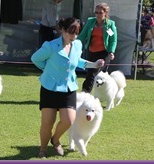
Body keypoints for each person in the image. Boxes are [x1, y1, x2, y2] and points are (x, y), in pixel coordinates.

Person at [31, 17, 105, 158]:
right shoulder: (50, 46)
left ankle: (56, 139)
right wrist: (47, 69)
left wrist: (94, 64)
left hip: (69, 89)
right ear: (63, 30)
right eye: (70, 32)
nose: (74, 36)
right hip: (49, 88)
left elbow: (78, 61)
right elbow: (35, 58)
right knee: (47, 122)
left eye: (76, 33)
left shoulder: (77, 45)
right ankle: (43, 149)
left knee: (69, 120)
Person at [78, 2, 117, 93]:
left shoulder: (109, 25)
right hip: (91, 51)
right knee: (95, 74)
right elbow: (82, 35)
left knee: (92, 73)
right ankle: (104, 93)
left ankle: (85, 93)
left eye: (100, 12)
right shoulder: (91, 21)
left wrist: (111, 51)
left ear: (105, 13)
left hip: (103, 53)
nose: (98, 15)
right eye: (96, 12)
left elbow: (113, 40)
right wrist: (74, 44)